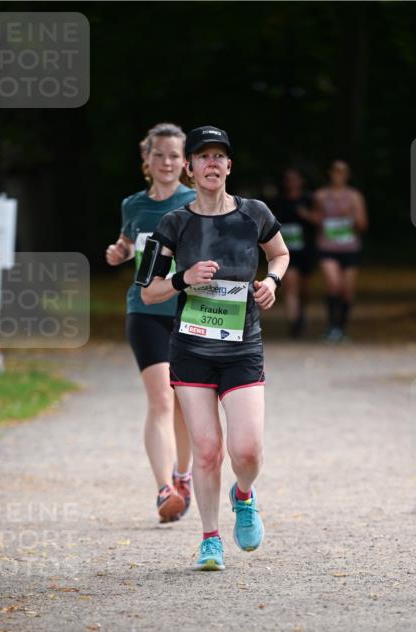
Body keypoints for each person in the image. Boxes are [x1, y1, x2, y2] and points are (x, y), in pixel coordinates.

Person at [140, 125, 289, 570]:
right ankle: (209, 539)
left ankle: (243, 495)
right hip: (192, 350)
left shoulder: (254, 214)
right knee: (206, 450)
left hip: (242, 347)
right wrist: (184, 279)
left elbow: (279, 254)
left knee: (247, 451)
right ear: (190, 167)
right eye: (202, 156)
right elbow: (149, 292)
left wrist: (272, 282)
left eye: (219, 157)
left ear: (229, 166)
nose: (211, 164)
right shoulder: (174, 223)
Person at [105, 123, 195, 522]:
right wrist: (119, 252)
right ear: (147, 160)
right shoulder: (133, 205)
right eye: (159, 154)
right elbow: (132, 244)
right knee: (160, 398)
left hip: (189, 311)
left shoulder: (198, 202)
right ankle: (164, 489)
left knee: (185, 402)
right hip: (144, 312)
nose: (167, 162)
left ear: (186, 162)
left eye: (175, 155)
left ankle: (183, 475)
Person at [314, 160, 368, 342]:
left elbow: (363, 224)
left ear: (347, 175)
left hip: (349, 247)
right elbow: (316, 219)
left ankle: (342, 328)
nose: (339, 175)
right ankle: (331, 327)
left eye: (342, 172)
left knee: (347, 290)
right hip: (327, 247)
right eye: (336, 171)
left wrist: (350, 216)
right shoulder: (321, 195)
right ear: (330, 173)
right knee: (334, 284)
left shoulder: (354, 197)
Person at [271, 168, 316, 338]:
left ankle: (301, 312)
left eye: (295, 179)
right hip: (286, 252)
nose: (291, 183)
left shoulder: (309, 200)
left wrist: (306, 215)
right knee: (290, 286)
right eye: (288, 179)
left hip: (306, 251)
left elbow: (320, 220)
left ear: (301, 181)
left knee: (305, 290)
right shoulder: (278, 202)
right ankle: (294, 324)